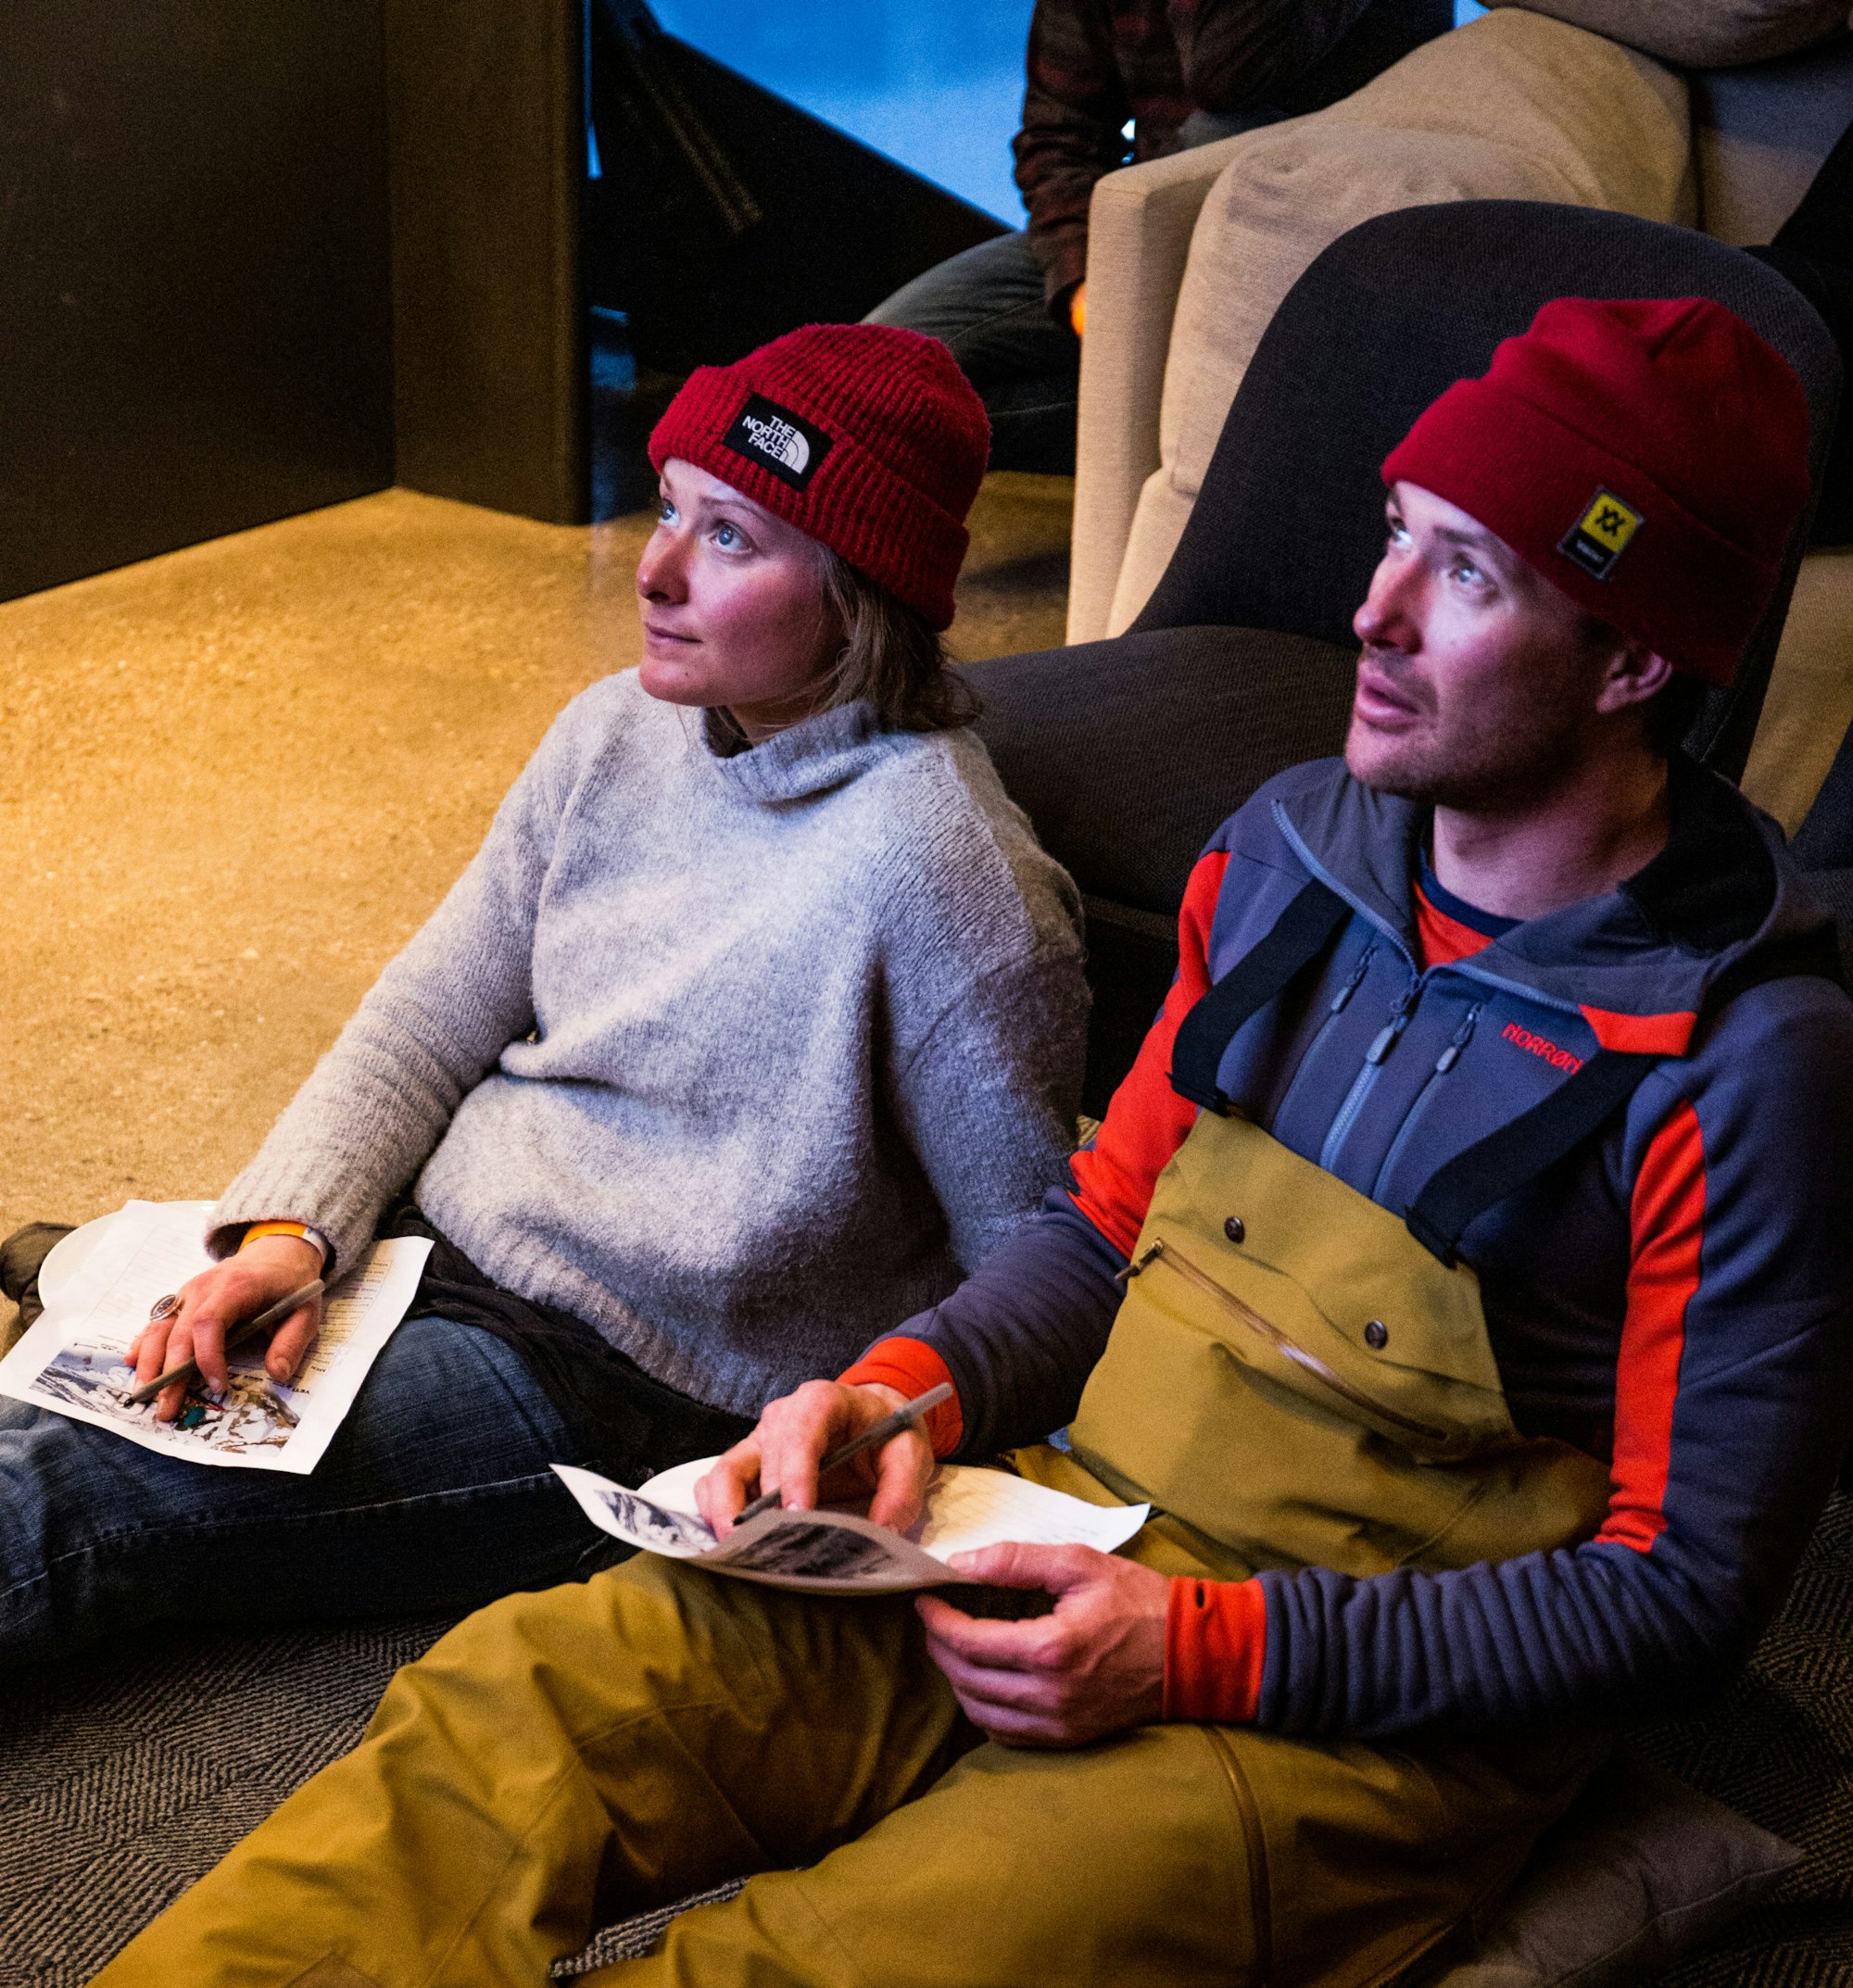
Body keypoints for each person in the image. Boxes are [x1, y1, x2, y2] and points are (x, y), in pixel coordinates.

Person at [93, 296, 1853, 1988]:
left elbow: (1679, 1594)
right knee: (515, 1706)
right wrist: (903, 1392)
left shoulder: (1746, 1062)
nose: (1372, 612)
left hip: (1340, 1699)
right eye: (1396, 533)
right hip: (1063, 1520)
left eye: (1466, 574)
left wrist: (1202, 1649)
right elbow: (1096, 1234)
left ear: (1634, 657)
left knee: (831, 1960)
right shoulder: (1288, 852)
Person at [0, 323, 1089, 1667]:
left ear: (859, 591)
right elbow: (427, 1015)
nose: (655, 568)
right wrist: (291, 1234)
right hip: (430, 1246)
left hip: (617, 1388)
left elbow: (1036, 1262)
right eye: (669, 506)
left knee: (55, 1499)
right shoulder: (612, 728)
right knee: (72, 1410)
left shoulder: (950, 877)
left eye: (731, 537)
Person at [867, 0, 1447, 472]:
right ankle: (1167, 423)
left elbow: (1226, 72)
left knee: (1217, 131)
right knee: (874, 371)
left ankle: (1207, 433)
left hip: (1314, 263)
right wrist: (1084, 289)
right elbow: (1060, 135)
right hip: (1150, 241)